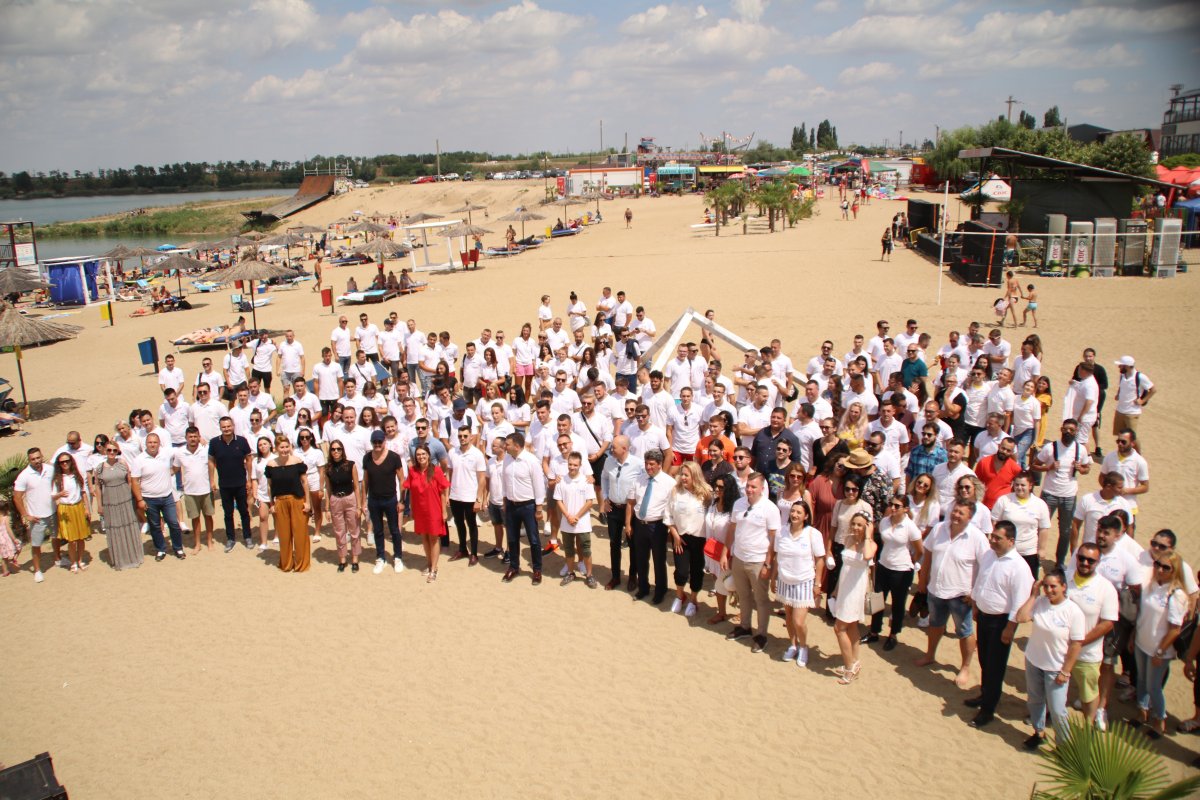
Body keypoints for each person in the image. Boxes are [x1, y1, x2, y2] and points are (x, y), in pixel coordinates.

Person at [966, 520, 1035, 729]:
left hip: (1001, 621)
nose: (992, 540)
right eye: (992, 536)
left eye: (998, 538)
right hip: (984, 615)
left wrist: (1010, 627)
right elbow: (981, 581)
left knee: (995, 665)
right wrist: (976, 604)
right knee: (984, 659)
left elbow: (1019, 601)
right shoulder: (989, 555)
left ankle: (988, 709)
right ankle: (985, 694)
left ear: (1011, 541)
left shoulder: (1019, 567)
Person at [916, 499, 989, 689]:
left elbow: (986, 567)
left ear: (970, 517)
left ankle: (965, 667)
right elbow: (928, 555)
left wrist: (975, 593)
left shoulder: (978, 538)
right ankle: (930, 654)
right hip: (936, 589)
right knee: (935, 624)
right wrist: (922, 580)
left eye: (961, 513)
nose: (956, 515)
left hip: (960, 594)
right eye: (955, 511)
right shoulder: (939, 529)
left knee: (964, 632)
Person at [1013, 570, 1086, 750]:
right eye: (1046, 586)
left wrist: (1066, 671)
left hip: (1055, 667)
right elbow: (1021, 617)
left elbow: (1076, 644)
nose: (1049, 590)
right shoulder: (1040, 603)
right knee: (1035, 700)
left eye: (1053, 586)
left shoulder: (1073, 611)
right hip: (1034, 660)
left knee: (1057, 709)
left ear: (1063, 587)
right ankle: (1039, 732)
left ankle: (1064, 745)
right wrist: (1033, 595)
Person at [721, 472, 781, 653]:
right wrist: (725, 552)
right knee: (743, 594)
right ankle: (745, 627)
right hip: (739, 557)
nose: (749, 489)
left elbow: (773, 538)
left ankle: (762, 634)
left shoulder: (770, 508)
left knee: (761, 600)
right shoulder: (739, 504)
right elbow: (732, 528)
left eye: (753, 486)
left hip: (758, 560)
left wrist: (768, 564)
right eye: (748, 486)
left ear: (762, 488)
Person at [1132, 551, 1187, 739]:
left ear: (1174, 570)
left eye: (1166, 567)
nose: (1160, 569)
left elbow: (1175, 629)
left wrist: (1161, 651)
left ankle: (1159, 720)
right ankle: (1142, 712)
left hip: (1159, 650)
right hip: (1142, 642)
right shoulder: (1151, 585)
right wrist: (1134, 636)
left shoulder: (1176, 595)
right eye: (1158, 564)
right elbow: (1142, 614)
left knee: (1154, 686)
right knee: (1140, 680)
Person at [1064, 542, 1118, 724]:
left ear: (1098, 562)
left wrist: (1079, 642)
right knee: (1054, 686)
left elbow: (1108, 623)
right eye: (1081, 558)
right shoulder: (1065, 579)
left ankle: (1089, 725)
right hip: (1059, 649)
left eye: (1091, 560)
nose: (1085, 563)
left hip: (1087, 654)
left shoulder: (1106, 588)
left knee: (1088, 694)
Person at [868, 494, 924, 651]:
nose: (892, 508)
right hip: (883, 565)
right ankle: (874, 631)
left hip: (902, 570)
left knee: (898, 604)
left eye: (897, 506)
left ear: (905, 509)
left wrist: (911, 562)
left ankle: (893, 635)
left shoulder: (910, 526)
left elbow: (919, 550)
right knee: (877, 599)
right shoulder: (885, 521)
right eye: (891, 504)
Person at [774, 500, 825, 668]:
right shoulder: (781, 532)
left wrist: (818, 583)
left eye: (799, 512)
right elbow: (776, 556)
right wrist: (774, 577)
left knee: (799, 621)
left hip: (804, 581)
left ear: (806, 516)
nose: (795, 515)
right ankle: (793, 644)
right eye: (793, 511)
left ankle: (803, 647)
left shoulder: (813, 534)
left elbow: (819, 559)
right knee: (788, 616)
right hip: (784, 579)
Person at [833, 512, 876, 684]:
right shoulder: (849, 540)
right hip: (844, 587)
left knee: (839, 628)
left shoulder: (871, 544)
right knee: (851, 626)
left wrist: (867, 536)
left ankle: (849, 666)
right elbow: (843, 566)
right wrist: (836, 589)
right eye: (854, 524)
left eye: (860, 525)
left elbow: (866, 556)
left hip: (856, 590)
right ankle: (855, 661)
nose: (856, 528)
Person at [626, 448, 674, 603]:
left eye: (652, 464)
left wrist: (669, 528)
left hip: (658, 526)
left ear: (660, 464)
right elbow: (631, 502)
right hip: (639, 524)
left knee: (659, 560)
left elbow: (672, 508)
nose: (648, 467)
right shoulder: (639, 479)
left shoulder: (669, 483)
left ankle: (660, 590)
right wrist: (628, 523)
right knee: (641, 558)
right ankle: (643, 588)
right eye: (646, 464)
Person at [131, 434, 186, 562]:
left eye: (155, 442)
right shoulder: (139, 459)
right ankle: (161, 549)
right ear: (146, 443)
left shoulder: (165, 454)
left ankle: (178, 548)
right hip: (149, 498)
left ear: (159, 443)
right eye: (150, 442)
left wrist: (174, 470)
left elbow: (180, 451)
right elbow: (135, 481)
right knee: (155, 526)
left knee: (173, 522)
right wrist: (139, 500)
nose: (152, 445)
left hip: (167, 496)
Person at [501, 432, 546, 584]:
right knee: (512, 539)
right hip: (512, 505)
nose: (504, 447)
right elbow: (505, 480)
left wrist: (539, 508)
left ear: (517, 446)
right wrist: (505, 500)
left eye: (507, 444)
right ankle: (514, 567)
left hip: (528, 506)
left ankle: (537, 570)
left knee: (534, 540)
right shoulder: (507, 459)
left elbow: (539, 485)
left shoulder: (531, 461)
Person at [665, 461, 710, 615]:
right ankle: (679, 596)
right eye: (681, 474)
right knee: (681, 571)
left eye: (686, 475)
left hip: (699, 539)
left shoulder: (706, 493)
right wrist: (675, 535)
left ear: (695, 476)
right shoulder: (675, 492)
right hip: (680, 538)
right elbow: (668, 514)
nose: (683, 478)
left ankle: (693, 599)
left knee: (697, 571)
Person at [264, 435, 311, 573]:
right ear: (276, 448)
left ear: (290, 447)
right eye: (281, 447)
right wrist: (271, 504)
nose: (284, 450)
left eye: (286, 447)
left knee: (300, 533)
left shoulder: (297, 462)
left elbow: (305, 483)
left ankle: (301, 564)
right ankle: (286, 563)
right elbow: (269, 486)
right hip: (280, 501)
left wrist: (307, 502)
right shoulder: (271, 465)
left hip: (297, 500)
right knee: (284, 535)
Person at [990, 472, 1051, 578]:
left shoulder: (1040, 504)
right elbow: (994, 522)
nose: (1019, 488)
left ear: (1030, 486)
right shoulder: (1004, 500)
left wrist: (1041, 549)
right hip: (1005, 550)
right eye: (1016, 484)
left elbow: (1043, 529)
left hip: (1028, 552)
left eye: (1023, 485)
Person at [403, 443, 450, 582]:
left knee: (434, 538)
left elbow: (443, 492)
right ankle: (429, 564)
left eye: (423, 454)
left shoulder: (436, 470)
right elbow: (410, 491)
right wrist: (411, 508)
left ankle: (434, 568)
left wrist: (444, 511)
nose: (421, 457)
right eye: (418, 455)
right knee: (424, 538)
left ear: (428, 455)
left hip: (434, 509)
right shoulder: (413, 471)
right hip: (420, 510)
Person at [14, 447, 60, 583]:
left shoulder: (49, 469)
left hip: (52, 511)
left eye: (38, 458)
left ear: (42, 457)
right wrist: (26, 515)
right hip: (36, 517)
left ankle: (57, 558)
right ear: (29, 460)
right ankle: (38, 570)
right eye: (33, 459)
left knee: (55, 537)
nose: (36, 461)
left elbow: (55, 482)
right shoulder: (24, 475)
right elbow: (17, 497)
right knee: (36, 545)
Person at [94, 441, 142, 571]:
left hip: (125, 498)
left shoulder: (122, 464)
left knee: (129, 525)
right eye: (109, 450)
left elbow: (129, 481)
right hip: (110, 501)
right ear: (105, 451)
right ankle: (120, 559)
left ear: (117, 451)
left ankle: (134, 556)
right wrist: (99, 505)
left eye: (114, 450)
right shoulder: (99, 468)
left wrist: (135, 498)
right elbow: (97, 487)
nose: (111, 453)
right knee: (115, 528)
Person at [208, 417, 254, 552]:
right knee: (228, 513)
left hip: (240, 483)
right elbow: (211, 461)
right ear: (220, 427)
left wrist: (249, 479)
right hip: (224, 484)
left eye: (229, 426)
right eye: (224, 427)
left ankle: (247, 536)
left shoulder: (241, 441)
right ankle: (230, 538)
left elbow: (249, 459)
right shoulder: (214, 443)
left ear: (233, 426)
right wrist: (212, 480)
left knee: (244, 511)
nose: (226, 429)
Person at [363, 430, 406, 575]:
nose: (377, 444)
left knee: (395, 530)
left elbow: (401, 480)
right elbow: (366, 481)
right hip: (374, 500)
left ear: (384, 441)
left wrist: (402, 500)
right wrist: (364, 500)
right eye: (374, 442)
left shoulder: (394, 457)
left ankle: (398, 556)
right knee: (378, 530)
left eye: (379, 442)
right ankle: (381, 557)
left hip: (390, 499)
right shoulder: (367, 458)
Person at [554, 451, 597, 588]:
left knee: (586, 549)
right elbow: (559, 500)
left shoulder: (586, 481)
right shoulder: (561, 481)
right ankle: (571, 573)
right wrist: (567, 516)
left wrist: (576, 517)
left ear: (580, 465)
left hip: (582, 523)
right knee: (568, 549)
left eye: (575, 465)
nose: (572, 467)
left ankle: (589, 575)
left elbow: (590, 502)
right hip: (566, 522)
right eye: (570, 464)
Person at [447, 425, 487, 566]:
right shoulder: (452, 452)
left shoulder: (477, 454)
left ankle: (474, 553)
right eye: (460, 436)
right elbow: (449, 474)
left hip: (470, 496)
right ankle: (462, 549)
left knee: (471, 524)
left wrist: (479, 499)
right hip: (455, 495)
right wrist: (448, 494)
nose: (462, 438)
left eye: (465, 436)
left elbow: (482, 478)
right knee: (459, 523)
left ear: (471, 436)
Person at [322, 439, 363, 573]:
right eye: (333, 449)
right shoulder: (327, 468)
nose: (336, 452)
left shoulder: (350, 465)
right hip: (335, 499)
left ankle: (355, 559)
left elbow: (357, 486)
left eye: (338, 449)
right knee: (339, 532)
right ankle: (342, 559)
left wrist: (359, 506)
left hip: (350, 498)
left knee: (354, 530)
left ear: (342, 450)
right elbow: (327, 489)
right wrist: (326, 508)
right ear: (330, 451)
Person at [173, 426, 215, 553]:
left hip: (206, 489)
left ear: (199, 437)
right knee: (195, 518)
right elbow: (175, 469)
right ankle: (197, 543)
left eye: (195, 436)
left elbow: (214, 463)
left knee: (208, 516)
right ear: (186, 438)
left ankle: (209, 541)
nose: (193, 439)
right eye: (190, 437)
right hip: (190, 491)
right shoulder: (179, 452)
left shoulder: (206, 449)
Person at [51, 450, 91, 572]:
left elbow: (83, 493)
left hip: (78, 507)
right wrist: (60, 494)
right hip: (65, 509)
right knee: (71, 539)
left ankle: (80, 560)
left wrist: (87, 508)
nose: (65, 464)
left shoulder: (77, 476)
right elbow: (52, 496)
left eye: (67, 461)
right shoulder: (58, 479)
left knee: (81, 537)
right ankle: (73, 562)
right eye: (62, 462)